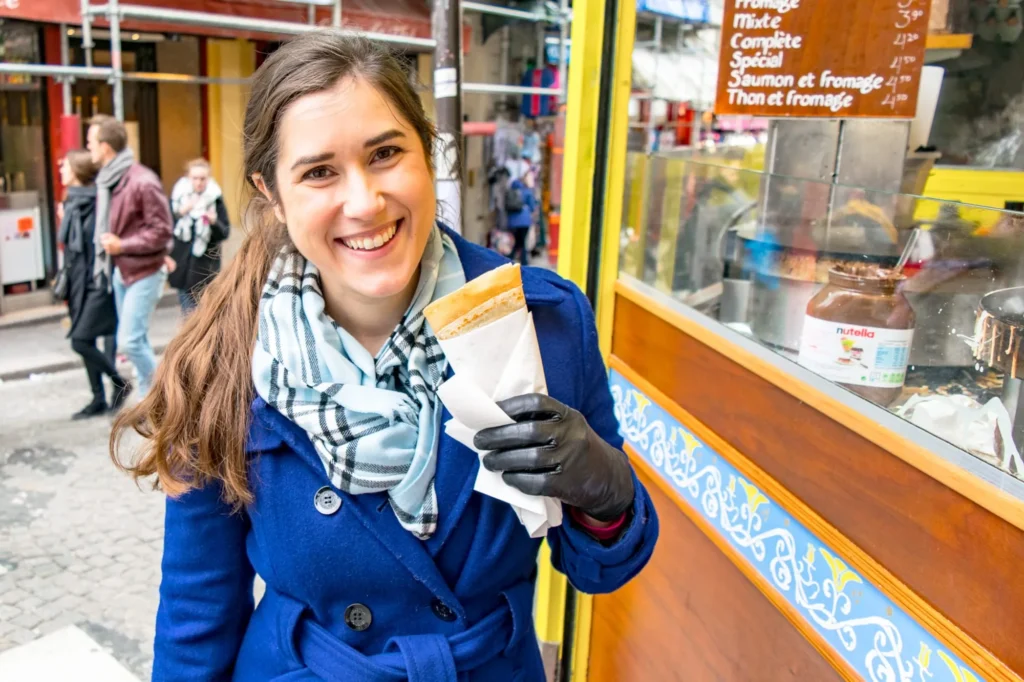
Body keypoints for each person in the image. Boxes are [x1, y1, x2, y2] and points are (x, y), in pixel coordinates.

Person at [111, 32, 658, 682]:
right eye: (319, 172)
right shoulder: (223, 358)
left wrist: (608, 492)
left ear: (428, 153)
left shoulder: (543, 323)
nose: (365, 201)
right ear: (273, 196)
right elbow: (197, 613)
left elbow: (603, 569)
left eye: (386, 154)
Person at [87, 114, 173, 398]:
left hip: (144, 270)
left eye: (91, 142)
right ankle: (149, 399)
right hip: (122, 271)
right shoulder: (109, 179)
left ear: (106, 147)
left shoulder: (142, 181)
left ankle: (167, 394)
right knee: (138, 340)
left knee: (130, 342)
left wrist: (122, 246)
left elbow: (162, 231)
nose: (88, 148)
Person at [56, 150, 132, 419]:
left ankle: (119, 383)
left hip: (96, 282)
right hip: (77, 283)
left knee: (80, 340)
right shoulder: (71, 204)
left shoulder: (98, 202)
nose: (60, 169)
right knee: (85, 339)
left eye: (64, 165)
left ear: (76, 171)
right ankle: (98, 397)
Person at [168, 158, 231, 313]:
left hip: (205, 268)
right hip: (182, 265)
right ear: (188, 178)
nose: (198, 182)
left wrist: (214, 222)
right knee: (187, 315)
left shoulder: (215, 198)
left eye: (202, 178)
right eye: (195, 178)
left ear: (208, 179)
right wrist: (181, 212)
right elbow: (166, 227)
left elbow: (225, 232)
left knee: (201, 315)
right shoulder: (179, 199)